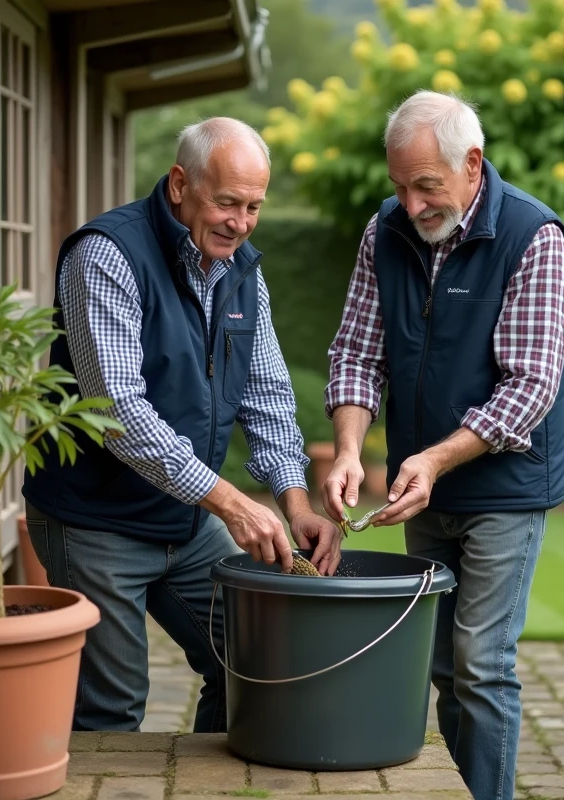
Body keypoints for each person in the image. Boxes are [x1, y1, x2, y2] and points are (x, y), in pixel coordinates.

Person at [22, 117, 343, 733]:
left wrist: (295, 503)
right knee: (113, 708)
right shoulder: (106, 254)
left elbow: (267, 393)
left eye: (253, 207)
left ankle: (213, 779)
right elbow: (118, 413)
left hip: (186, 522)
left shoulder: (242, 272)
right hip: (95, 521)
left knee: (251, 665)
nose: (240, 222)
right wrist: (233, 504)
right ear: (179, 184)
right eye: (227, 202)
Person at [322, 91, 564, 800]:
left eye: (426, 186)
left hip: (504, 487)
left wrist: (434, 459)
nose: (410, 205)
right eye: (399, 186)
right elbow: (356, 353)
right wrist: (349, 450)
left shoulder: (534, 237)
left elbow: (530, 385)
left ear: (472, 164)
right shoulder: (385, 230)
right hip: (421, 488)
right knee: (440, 665)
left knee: (482, 663)